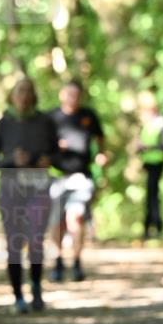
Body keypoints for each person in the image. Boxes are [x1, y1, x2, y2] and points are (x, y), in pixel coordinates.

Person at [0, 76, 59, 313]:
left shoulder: (45, 121)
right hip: (10, 190)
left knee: (36, 239)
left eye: (28, 91)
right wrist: (10, 160)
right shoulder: (3, 123)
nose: (24, 96)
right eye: (19, 91)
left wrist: (49, 159)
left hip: (38, 189)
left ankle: (36, 288)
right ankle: (18, 296)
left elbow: (58, 153)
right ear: (12, 96)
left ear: (34, 95)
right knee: (14, 243)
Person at [47, 79, 107, 282]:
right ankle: (57, 261)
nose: (73, 98)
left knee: (76, 218)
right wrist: (54, 147)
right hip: (56, 176)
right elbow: (41, 143)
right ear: (61, 94)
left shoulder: (88, 116)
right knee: (57, 221)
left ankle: (76, 261)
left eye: (77, 94)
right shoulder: (51, 117)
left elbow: (100, 137)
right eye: (69, 93)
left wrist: (100, 154)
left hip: (82, 175)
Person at [137, 92, 163, 239]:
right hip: (149, 163)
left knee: (152, 196)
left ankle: (155, 227)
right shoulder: (148, 125)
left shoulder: (160, 123)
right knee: (151, 195)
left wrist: (146, 147)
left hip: (157, 163)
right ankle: (150, 227)